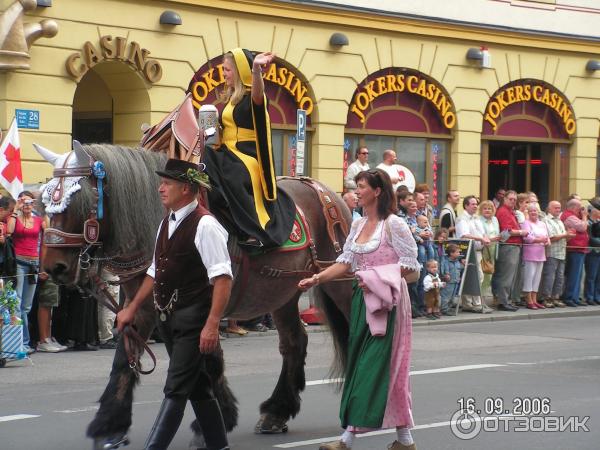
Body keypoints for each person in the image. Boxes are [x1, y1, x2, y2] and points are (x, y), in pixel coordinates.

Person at [298, 169, 419, 450]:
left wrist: (375, 276)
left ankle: (346, 440)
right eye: (357, 186)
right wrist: (316, 278)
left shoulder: (394, 225)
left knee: (374, 368)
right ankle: (405, 441)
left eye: (361, 186)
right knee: (369, 368)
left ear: (377, 191)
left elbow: (412, 268)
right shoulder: (357, 225)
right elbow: (346, 263)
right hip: (362, 302)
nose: (356, 191)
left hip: (388, 305)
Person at [117, 159, 233, 450]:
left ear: (186, 188)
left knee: (175, 389)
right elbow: (155, 272)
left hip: (194, 321)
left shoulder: (206, 225)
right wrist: (132, 307)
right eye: (162, 182)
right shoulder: (165, 224)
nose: (161, 188)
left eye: (167, 183)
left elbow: (222, 279)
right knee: (199, 388)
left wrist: (212, 324)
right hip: (169, 321)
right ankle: (220, 446)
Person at [203, 48, 295, 248]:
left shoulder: (251, 97)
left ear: (238, 71)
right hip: (227, 152)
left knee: (229, 172)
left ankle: (253, 230)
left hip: (246, 157)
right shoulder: (230, 99)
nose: (224, 73)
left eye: (227, 69)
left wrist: (255, 70)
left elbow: (258, 94)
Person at [6, 191, 46, 354]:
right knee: (17, 302)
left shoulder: (38, 220)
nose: (27, 206)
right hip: (19, 263)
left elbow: (46, 240)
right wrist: (17, 208)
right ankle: (21, 342)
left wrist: (43, 267)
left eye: (30, 203)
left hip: (33, 264)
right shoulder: (15, 218)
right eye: (25, 203)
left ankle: (24, 341)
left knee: (27, 306)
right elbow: (9, 232)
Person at [455, 196, 493, 313]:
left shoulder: (476, 219)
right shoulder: (462, 219)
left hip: (478, 251)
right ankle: (473, 303)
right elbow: (464, 235)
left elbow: (483, 233)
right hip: (468, 251)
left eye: (476, 204)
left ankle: (471, 303)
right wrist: (481, 238)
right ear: (466, 205)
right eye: (473, 204)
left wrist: (485, 239)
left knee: (477, 277)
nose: (476, 206)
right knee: (475, 276)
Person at [492, 190, 526, 311]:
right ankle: (503, 301)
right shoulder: (503, 211)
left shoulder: (510, 211)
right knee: (506, 276)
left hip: (513, 245)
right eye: (510, 199)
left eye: (514, 200)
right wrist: (522, 232)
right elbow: (507, 231)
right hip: (508, 245)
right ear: (505, 199)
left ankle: (506, 300)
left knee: (510, 276)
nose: (513, 201)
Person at [539, 201, 572, 308]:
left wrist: (569, 235)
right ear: (549, 209)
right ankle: (546, 298)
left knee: (559, 277)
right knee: (550, 276)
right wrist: (565, 235)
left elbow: (563, 237)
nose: (558, 210)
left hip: (561, 252)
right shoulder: (546, 221)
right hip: (552, 253)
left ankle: (555, 297)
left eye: (559, 208)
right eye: (556, 208)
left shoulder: (559, 221)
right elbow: (551, 237)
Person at [561, 198, 589, 307]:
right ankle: (569, 297)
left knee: (578, 275)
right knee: (573, 274)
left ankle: (575, 297)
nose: (581, 210)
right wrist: (585, 216)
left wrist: (582, 216)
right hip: (574, 249)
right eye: (579, 208)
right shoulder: (569, 216)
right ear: (573, 207)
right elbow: (582, 227)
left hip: (579, 249)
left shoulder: (575, 216)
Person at [521, 204, 550, 309]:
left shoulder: (542, 224)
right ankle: (528, 300)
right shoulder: (526, 223)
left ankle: (534, 299)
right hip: (530, 253)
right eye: (531, 211)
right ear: (528, 213)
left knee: (537, 278)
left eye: (535, 211)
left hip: (541, 253)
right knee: (529, 277)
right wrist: (539, 239)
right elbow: (527, 237)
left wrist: (547, 241)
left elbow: (547, 236)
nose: (533, 213)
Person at [478, 200, 500, 302]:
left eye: (489, 208)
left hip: (493, 249)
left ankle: (484, 297)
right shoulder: (479, 220)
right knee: (483, 273)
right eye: (485, 208)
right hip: (484, 249)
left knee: (489, 274)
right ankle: (480, 298)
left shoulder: (495, 219)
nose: (487, 210)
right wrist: (491, 239)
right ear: (481, 210)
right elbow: (481, 236)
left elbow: (498, 233)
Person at [584, 198, 600, 305]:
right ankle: (589, 297)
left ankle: (597, 296)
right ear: (593, 211)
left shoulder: (598, 222)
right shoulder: (588, 222)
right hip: (592, 252)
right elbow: (589, 238)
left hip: (598, 251)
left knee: (599, 277)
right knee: (591, 276)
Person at [439, 243, 462, 316]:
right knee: (446, 296)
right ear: (451, 253)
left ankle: (448, 308)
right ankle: (444, 309)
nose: (459, 253)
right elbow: (445, 269)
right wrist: (446, 274)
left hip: (455, 282)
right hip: (449, 282)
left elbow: (459, 269)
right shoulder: (446, 261)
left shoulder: (457, 261)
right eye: (457, 252)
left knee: (452, 297)